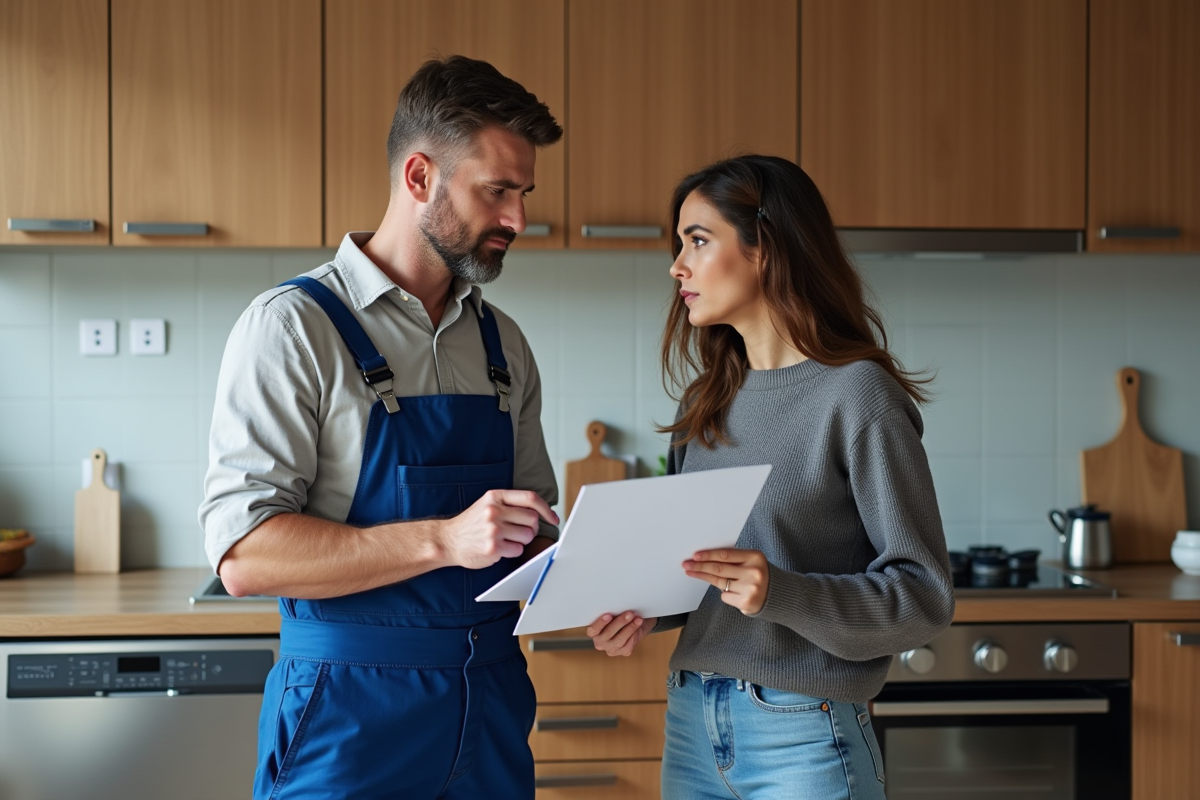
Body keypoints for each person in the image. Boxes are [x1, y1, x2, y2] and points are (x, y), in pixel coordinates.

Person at [199, 55, 563, 799]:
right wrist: (443, 539)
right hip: (349, 717)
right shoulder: (293, 328)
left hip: (490, 711)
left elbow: (530, 537)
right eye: (497, 191)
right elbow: (243, 556)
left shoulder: (504, 345)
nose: (517, 220)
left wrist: (599, 578)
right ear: (420, 177)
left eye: (523, 194)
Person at [586, 155, 955, 800]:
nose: (677, 265)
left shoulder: (856, 396)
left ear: (767, 249)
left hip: (803, 731)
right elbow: (700, 579)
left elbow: (924, 598)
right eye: (679, 245)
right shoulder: (705, 403)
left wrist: (780, 591)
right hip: (692, 721)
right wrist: (641, 610)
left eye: (698, 241)